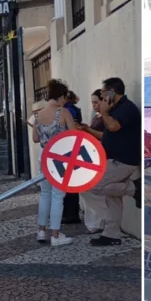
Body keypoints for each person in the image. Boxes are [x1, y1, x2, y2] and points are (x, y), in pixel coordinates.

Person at [87, 77, 141, 247]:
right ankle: (111, 235)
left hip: (123, 160)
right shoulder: (115, 108)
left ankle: (135, 189)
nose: (102, 99)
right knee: (112, 197)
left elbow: (113, 127)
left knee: (94, 184)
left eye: (103, 94)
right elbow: (108, 134)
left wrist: (104, 112)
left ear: (112, 92)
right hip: (114, 159)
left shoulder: (126, 108)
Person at [29, 79, 78, 246]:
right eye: (64, 97)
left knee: (45, 194)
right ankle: (56, 235)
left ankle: (41, 231)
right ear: (60, 96)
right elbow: (75, 134)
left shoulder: (37, 114)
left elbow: (35, 138)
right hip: (60, 155)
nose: (65, 100)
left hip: (44, 154)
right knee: (58, 195)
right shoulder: (63, 112)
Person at [77, 89, 109, 233]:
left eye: (96, 102)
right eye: (92, 103)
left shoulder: (107, 118)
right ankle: (95, 222)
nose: (94, 105)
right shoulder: (97, 117)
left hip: (102, 156)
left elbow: (104, 136)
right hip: (92, 156)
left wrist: (88, 130)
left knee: (91, 189)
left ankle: (101, 219)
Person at [61, 91, 83, 226]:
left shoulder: (66, 111)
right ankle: (72, 213)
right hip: (74, 148)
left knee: (68, 184)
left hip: (68, 148)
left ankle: (70, 214)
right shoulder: (75, 110)